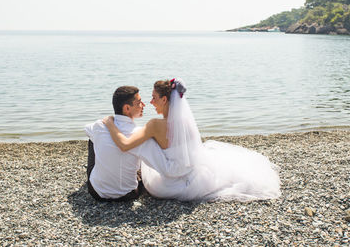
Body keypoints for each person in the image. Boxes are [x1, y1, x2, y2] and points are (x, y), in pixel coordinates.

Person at [103, 78, 281, 201]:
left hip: (169, 184)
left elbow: (125, 145)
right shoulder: (185, 122)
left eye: (154, 98)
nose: (150, 102)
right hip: (192, 175)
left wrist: (110, 123)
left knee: (145, 141)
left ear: (164, 99)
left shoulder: (154, 125)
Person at [85, 85, 175, 201]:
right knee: (140, 161)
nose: (144, 105)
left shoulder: (99, 125)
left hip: (97, 193)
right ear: (127, 108)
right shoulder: (139, 134)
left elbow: (86, 129)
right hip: (128, 194)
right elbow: (160, 165)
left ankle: (105, 173)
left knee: (92, 138)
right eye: (139, 103)